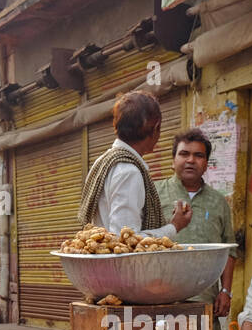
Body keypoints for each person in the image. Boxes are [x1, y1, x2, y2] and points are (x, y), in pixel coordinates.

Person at [155, 128, 237, 330]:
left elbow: (229, 250)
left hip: (203, 299)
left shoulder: (219, 202)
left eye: (198, 155)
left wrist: (226, 291)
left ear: (206, 163)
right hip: (159, 298)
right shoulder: (154, 193)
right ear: (173, 160)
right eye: (184, 154)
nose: (191, 160)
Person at [78, 90, 190, 239]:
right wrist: (174, 226)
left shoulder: (102, 163)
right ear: (156, 128)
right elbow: (125, 239)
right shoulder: (128, 171)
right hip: (120, 263)